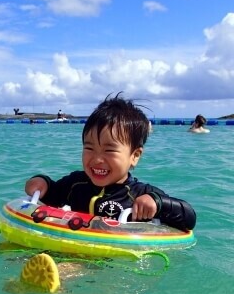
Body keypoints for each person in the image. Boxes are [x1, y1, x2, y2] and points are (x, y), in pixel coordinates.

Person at [25, 94, 197, 232]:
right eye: (89, 148)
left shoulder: (140, 194)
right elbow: (52, 195)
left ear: (135, 156)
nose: (97, 159)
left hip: (112, 259)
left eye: (109, 150)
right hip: (72, 245)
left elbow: (188, 218)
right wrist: (43, 183)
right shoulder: (75, 183)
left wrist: (158, 202)